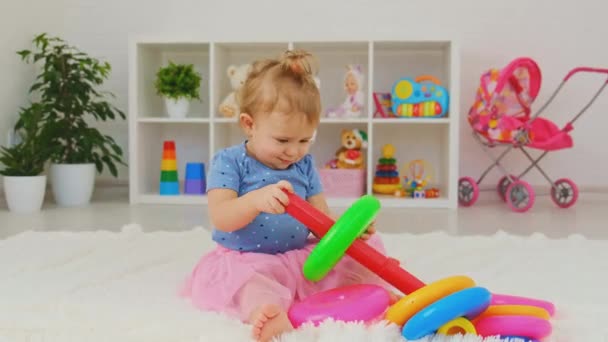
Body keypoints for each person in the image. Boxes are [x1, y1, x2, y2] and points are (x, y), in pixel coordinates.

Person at [181, 50, 392, 342]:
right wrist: (255, 200)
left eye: (305, 140)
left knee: (367, 249)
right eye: (282, 140)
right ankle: (265, 313)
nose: (294, 151)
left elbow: (321, 222)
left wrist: (348, 233)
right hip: (248, 259)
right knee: (250, 283)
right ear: (249, 124)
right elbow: (221, 217)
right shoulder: (229, 162)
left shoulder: (303, 165)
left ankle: (373, 293)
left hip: (296, 257)